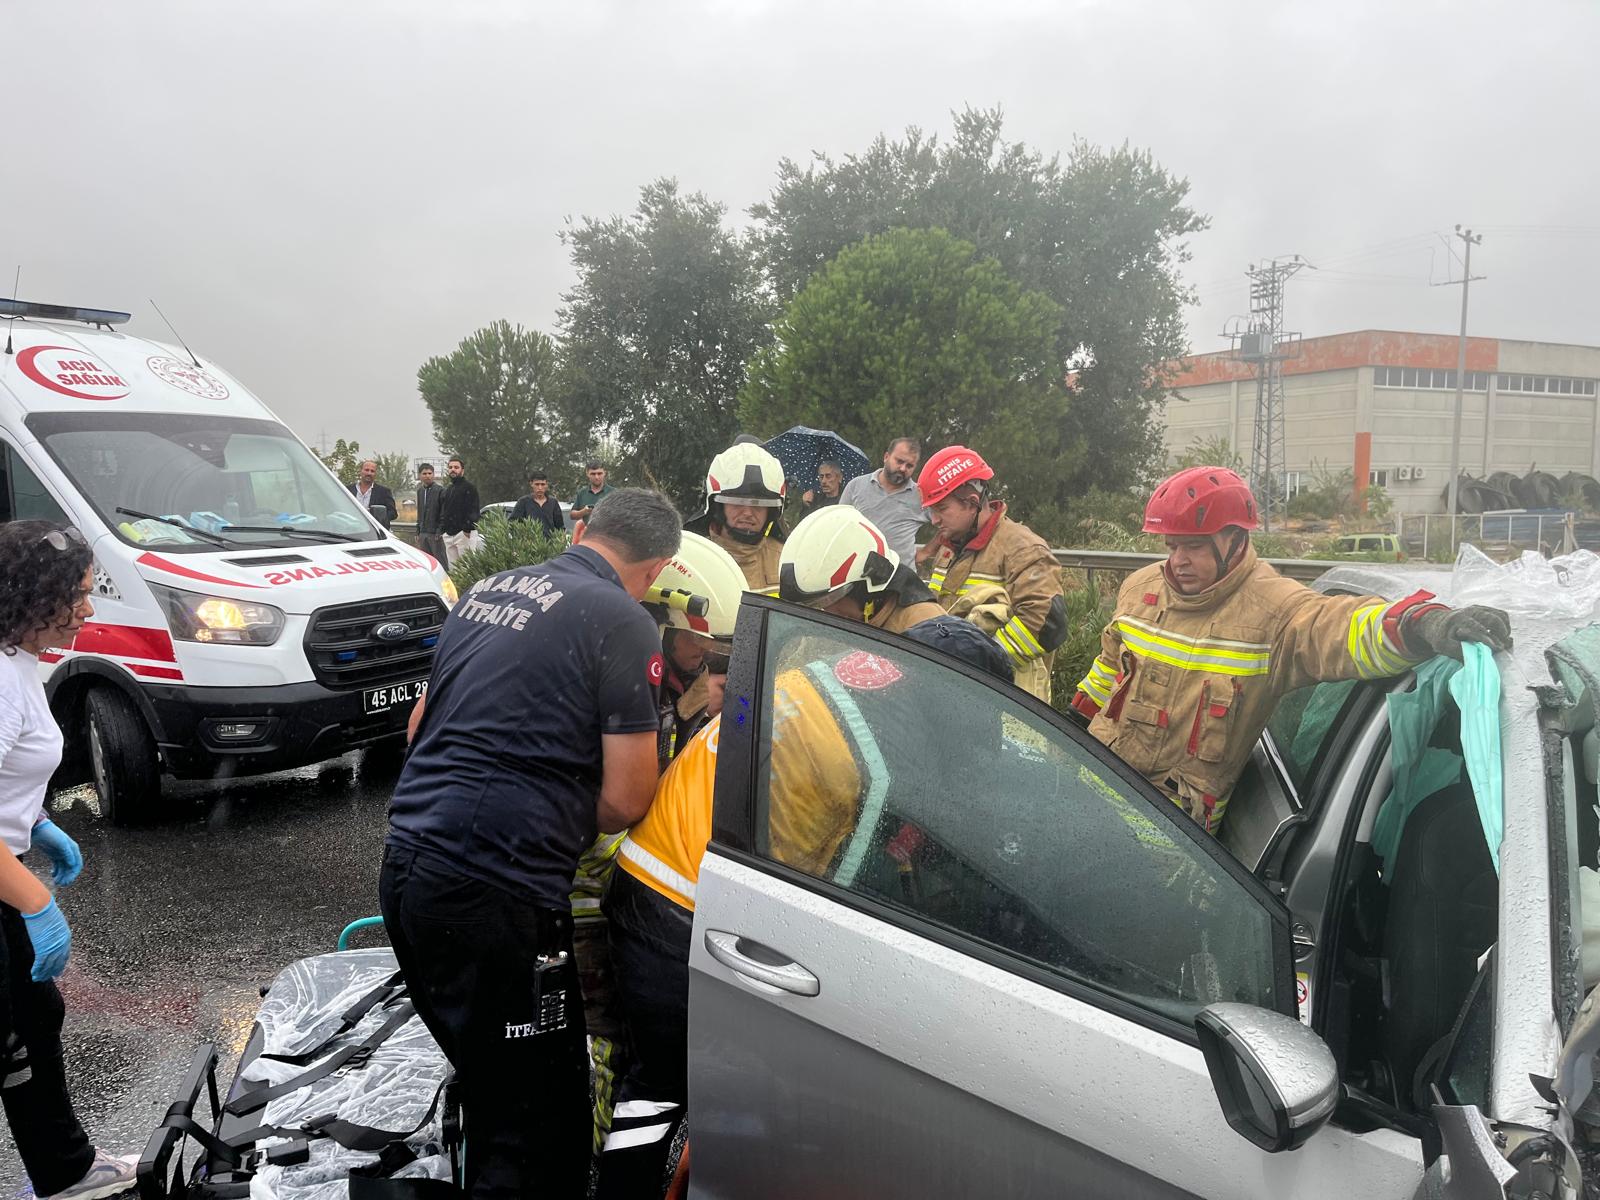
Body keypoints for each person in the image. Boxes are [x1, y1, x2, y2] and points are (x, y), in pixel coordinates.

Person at [597, 616, 1010, 1197]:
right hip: (687, 910)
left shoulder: (815, 676)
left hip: (646, 868)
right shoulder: (871, 764)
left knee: (653, 1078)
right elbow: (847, 896)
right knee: (671, 1087)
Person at [381, 488, 681, 1199]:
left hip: (408, 868)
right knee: (537, 1128)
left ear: (582, 530)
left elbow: (418, 727)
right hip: (496, 897)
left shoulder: (488, 591)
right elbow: (627, 800)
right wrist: (558, 813)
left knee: (494, 1091)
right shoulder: (624, 619)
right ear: (656, 569)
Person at [1071, 465, 1513, 835]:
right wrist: (1072, 726)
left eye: (1194, 546)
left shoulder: (1276, 611)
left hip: (1176, 831)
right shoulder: (1140, 589)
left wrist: (1420, 624)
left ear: (1235, 541)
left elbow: (1342, 628)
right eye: (1171, 546)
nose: (1178, 561)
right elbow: (1109, 670)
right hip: (1098, 785)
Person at [0, 521, 139, 1200]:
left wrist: (37, 821)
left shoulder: (19, 662)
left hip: (9, 861)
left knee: (31, 1018)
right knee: (13, 1029)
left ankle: (66, 1170)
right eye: (76, 595)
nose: (88, 609)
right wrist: (36, 900)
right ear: (30, 596)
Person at [918, 445, 1068, 703]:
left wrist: (985, 659)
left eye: (941, 508)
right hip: (953, 687)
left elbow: (1047, 623)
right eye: (931, 510)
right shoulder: (947, 549)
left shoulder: (1022, 548)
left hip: (1004, 697)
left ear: (972, 502)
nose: (934, 520)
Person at [779, 505, 944, 634]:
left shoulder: (925, 629)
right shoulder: (858, 620)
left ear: (866, 588)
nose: (824, 611)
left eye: (826, 601)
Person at [691, 442, 787, 593]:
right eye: (737, 503)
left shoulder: (786, 562)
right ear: (718, 507)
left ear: (771, 512)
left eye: (758, 505)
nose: (748, 512)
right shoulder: (691, 558)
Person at [839, 437, 927, 568]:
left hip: (899, 576)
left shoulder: (921, 496)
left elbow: (947, 524)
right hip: (856, 572)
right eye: (899, 461)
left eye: (909, 466)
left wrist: (927, 551)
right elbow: (838, 524)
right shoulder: (856, 486)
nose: (903, 468)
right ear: (886, 457)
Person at [438, 455, 481, 568]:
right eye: (450, 467)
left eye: (456, 467)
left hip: (464, 534)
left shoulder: (469, 488)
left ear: (462, 470)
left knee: (467, 568)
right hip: (449, 534)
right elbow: (445, 510)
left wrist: (467, 529)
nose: (453, 469)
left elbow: (473, 510)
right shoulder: (449, 489)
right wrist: (443, 530)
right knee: (453, 569)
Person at [413, 462, 448, 567]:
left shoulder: (440, 490)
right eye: (424, 473)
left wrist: (439, 530)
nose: (427, 476)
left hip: (435, 533)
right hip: (423, 532)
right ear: (420, 475)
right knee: (427, 562)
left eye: (429, 473)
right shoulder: (420, 491)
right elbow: (420, 512)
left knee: (440, 562)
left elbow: (443, 512)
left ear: (433, 474)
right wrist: (418, 531)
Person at [347, 459, 397, 529]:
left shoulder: (384, 492)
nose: (369, 473)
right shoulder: (348, 490)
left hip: (374, 532)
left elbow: (393, 513)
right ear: (360, 471)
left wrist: (379, 519)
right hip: (350, 530)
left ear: (375, 474)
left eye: (372, 471)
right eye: (366, 470)